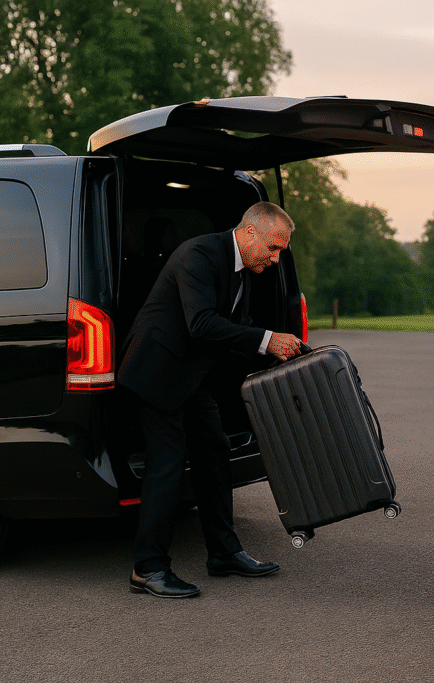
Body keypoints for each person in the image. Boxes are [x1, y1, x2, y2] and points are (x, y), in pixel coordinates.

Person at [118, 201, 304, 598]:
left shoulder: (245, 268)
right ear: (250, 233)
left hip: (189, 375)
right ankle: (147, 569)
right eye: (273, 249)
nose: (275, 259)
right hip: (156, 373)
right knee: (167, 464)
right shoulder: (199, 255)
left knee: (214, 452)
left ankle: (224, 553)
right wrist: (266, 340)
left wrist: (280, 347)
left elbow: (239, 326)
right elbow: (201, 323)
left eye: (280, 252)